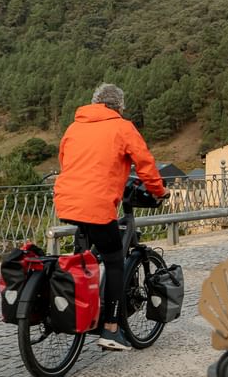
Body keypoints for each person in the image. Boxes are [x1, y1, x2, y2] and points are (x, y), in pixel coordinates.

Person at [54, 83, 166, 351]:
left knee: (87, 257)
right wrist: (159, 192)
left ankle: (80, 306)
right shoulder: (122, 127)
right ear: (119, 106)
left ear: (94, 103)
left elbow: (64, 161)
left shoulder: (74, 127)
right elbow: (146, 164)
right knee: (115, 262)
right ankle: (111, 329)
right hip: (96, 204)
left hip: (67, 202)